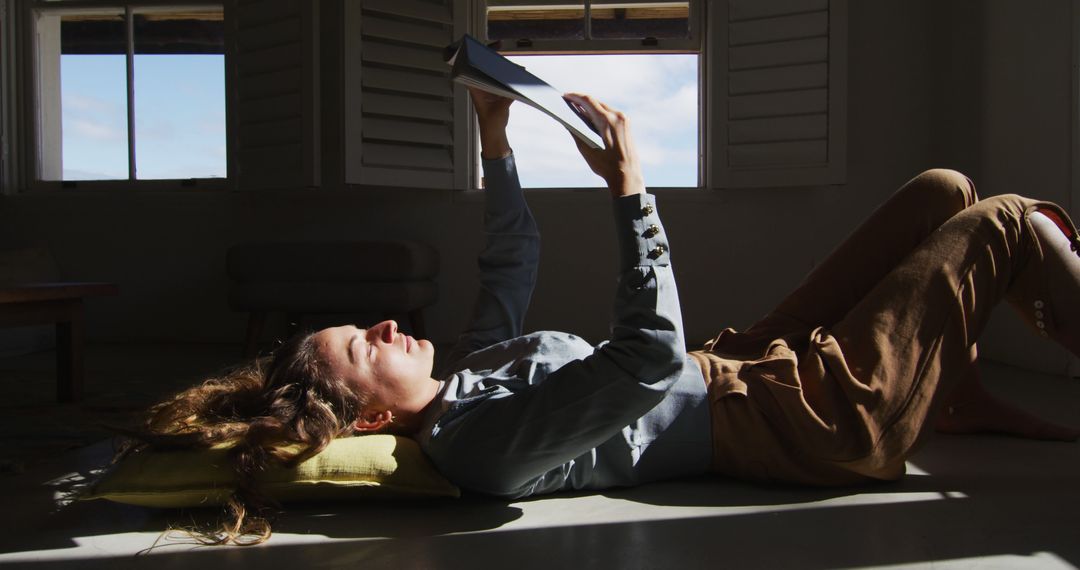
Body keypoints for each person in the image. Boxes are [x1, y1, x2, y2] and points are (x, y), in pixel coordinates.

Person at [136, 89, 1080, 543]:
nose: (384, 325)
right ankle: (924, 392)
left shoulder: (464, 370)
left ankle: (953, 391)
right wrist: (634, 191)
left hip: (744, 364)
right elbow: (644, 355)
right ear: (375, 417)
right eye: (361, 345)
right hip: (804, 420)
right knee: (997, 222)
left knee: (940, 190)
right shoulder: (478, 445)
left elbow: (513, 256)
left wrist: (493, 139)